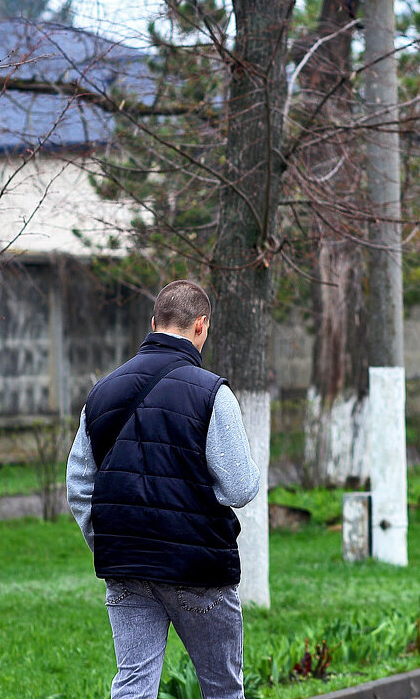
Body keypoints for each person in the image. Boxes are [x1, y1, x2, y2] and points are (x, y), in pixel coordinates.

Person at [66, 279, 260, 699]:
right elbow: (240, 488)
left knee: (133, 685)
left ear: (153, 323)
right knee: (222, 688)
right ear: (201, 325)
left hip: (127, 565)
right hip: (199, 568)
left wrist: (111, 542)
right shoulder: (212, 393)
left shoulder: (101, 393)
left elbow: (79, 486)